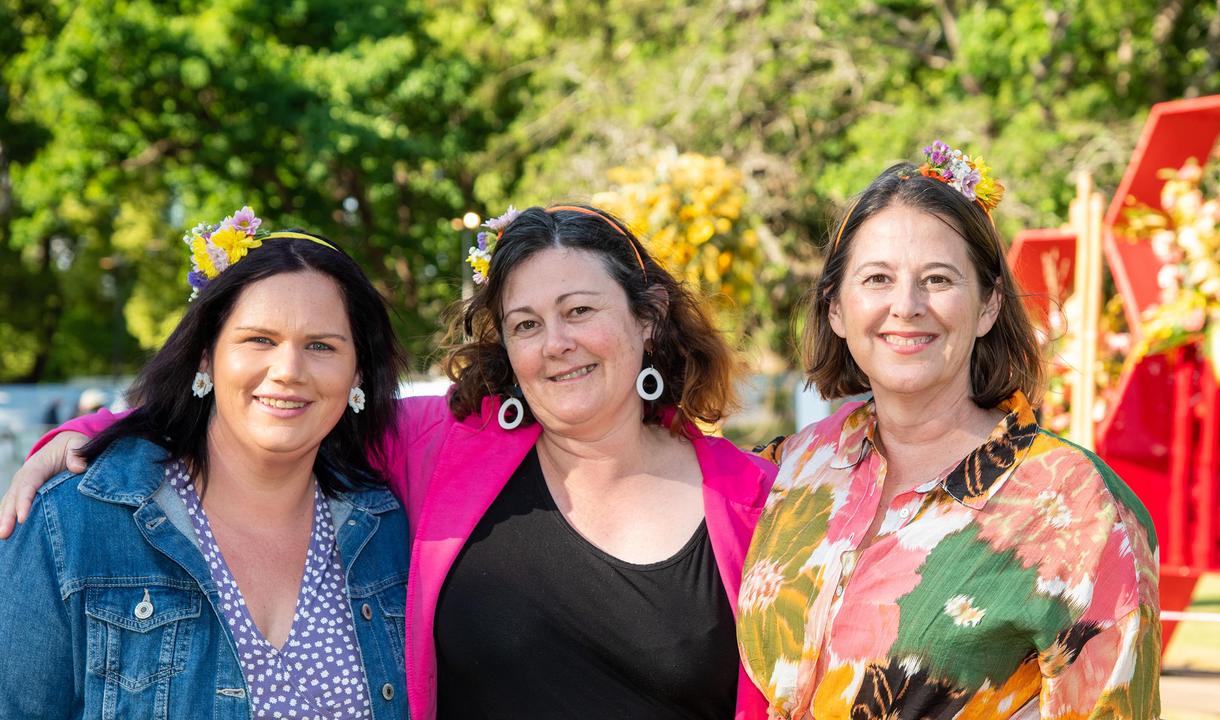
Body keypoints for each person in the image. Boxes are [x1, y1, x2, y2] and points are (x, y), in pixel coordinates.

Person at [4, 204, 776, 719]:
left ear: (647, 318)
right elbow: (272, 408)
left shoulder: (756, 499)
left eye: (580, 311)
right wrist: (95, 433)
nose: (556, 344)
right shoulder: (445, 445)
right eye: (526, 323)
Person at [736, 143, 1160, 719]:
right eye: (877, 278)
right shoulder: (783, 471)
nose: (906, 306)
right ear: (836, 308)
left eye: (938, 279)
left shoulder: (1079, 506)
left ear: (988, 305)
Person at [0, 209, 412, 719]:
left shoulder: (387, 533)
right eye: (259, 340)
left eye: (321, 346)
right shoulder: (72, 525)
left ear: (358, 376)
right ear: (205, 356)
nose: (288, 371)